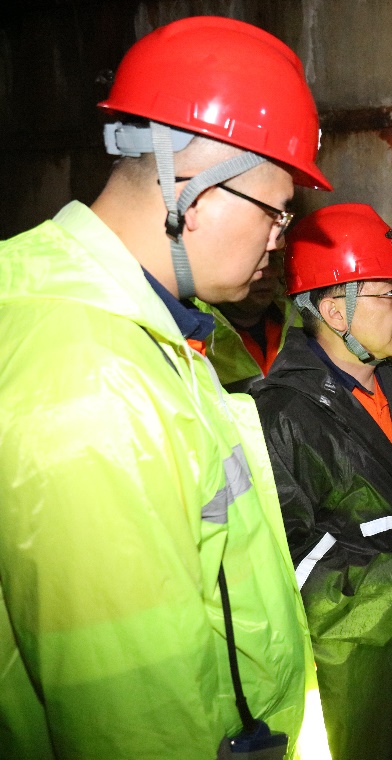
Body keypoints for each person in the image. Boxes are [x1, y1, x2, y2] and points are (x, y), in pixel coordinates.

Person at [0, 16, 330, 759]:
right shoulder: (90, 379)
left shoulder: (136, 328)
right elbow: (133, 719)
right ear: (192, 187)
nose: (280, 237)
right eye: (277, 210)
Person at [252, 203, 392, 760]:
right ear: (335, 311)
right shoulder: (280, 415)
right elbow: (288, 557)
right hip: (346, 653)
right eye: (389, 295)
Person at [199, 244, 300, 393]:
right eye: (254, 261)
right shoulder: (191, 330)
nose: (267, 273)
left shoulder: (301, 319)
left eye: (271, 260)